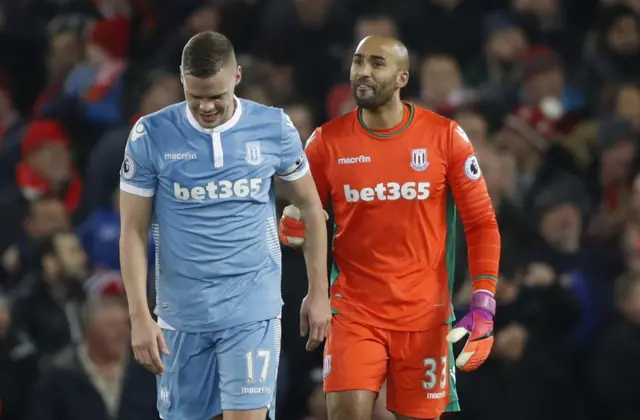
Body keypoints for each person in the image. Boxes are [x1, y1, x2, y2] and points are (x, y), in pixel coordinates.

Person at [279, 35, 501, 420]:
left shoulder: (444, 137)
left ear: (402, 78)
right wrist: (294, 229)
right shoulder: (326, 143)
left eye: (377, 63)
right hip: (354, 311)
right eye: (358, 62)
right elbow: (304, 217)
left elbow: (482, 222)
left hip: (426, 316)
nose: (363, 71)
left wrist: (484, 303)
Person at [118, 31, 331, 420]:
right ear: (181, 79)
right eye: (195, 95)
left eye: (215, 95)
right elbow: (132, 230)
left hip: (251, 309)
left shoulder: (273, 128)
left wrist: (319, 293)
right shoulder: (151, 135)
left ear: (237, 76)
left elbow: (312, 209)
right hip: (182, 314)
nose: (206, 106)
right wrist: (139, 316)